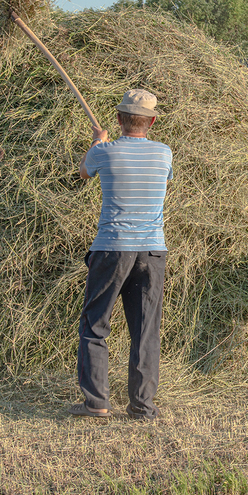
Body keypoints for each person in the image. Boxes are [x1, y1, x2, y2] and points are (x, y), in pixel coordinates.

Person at [67, 89, 173, 420]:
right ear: (151, 122)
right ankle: (142, 406)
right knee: (145, 330)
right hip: (152, 250)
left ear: (118, 119)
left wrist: (97, 140)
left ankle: (96, 402)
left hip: (111, 248)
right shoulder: (164, 153)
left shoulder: (105, 152)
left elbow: (84, 171)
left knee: (95, 324)